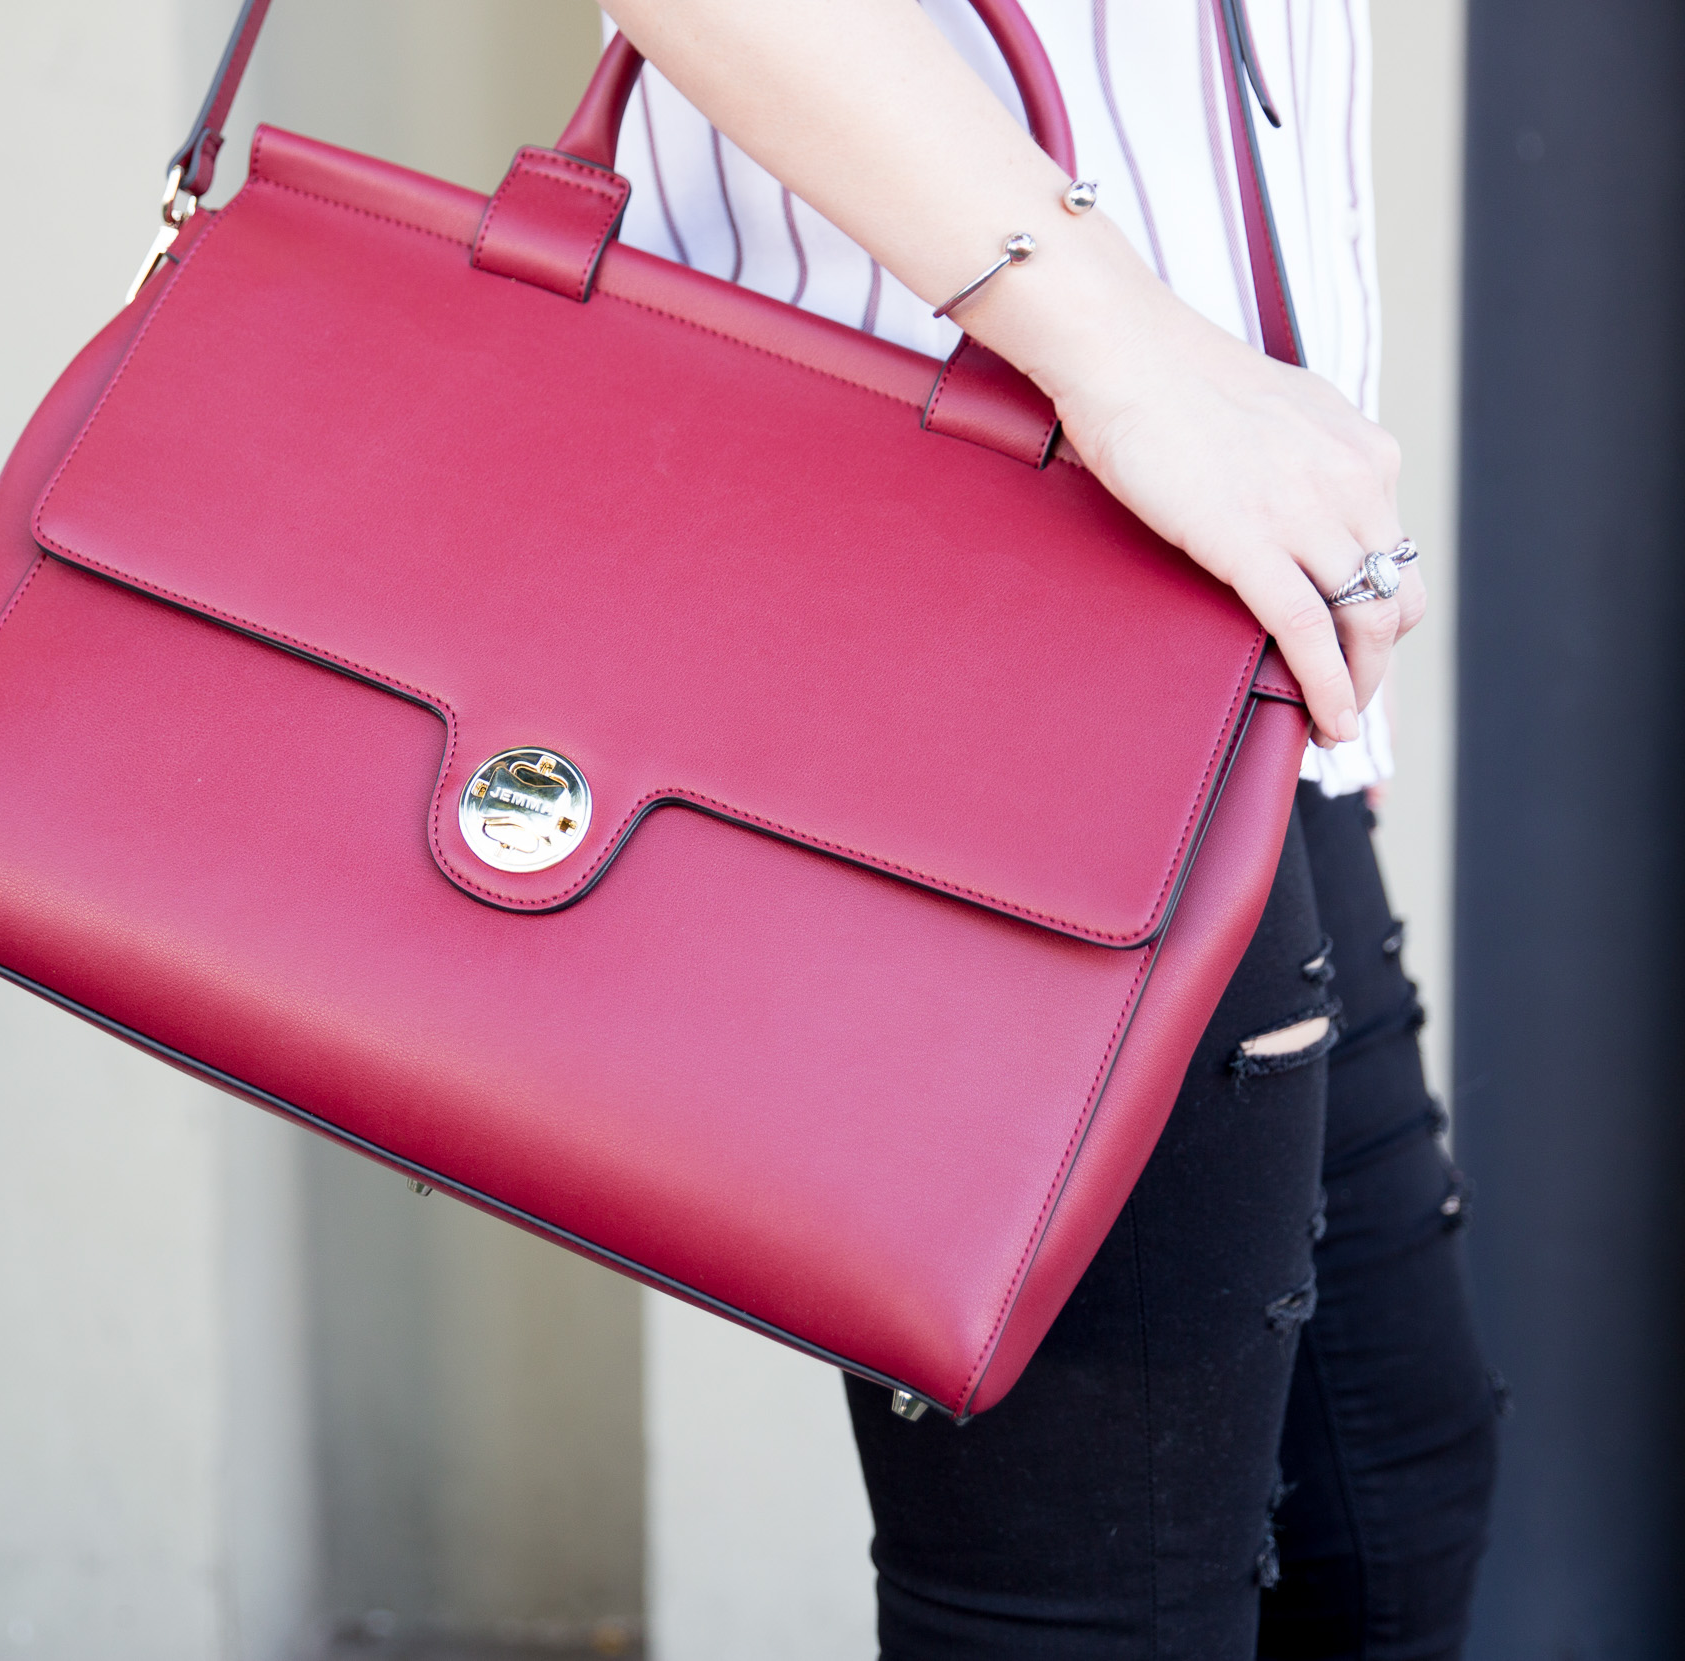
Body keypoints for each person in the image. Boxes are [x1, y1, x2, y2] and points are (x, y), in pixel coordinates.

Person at [600, 0, 1499, 1653]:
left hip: (1236, 619)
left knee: (1384, 1507)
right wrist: (1125, 350)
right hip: (957, 599)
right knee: (1095, 1594)